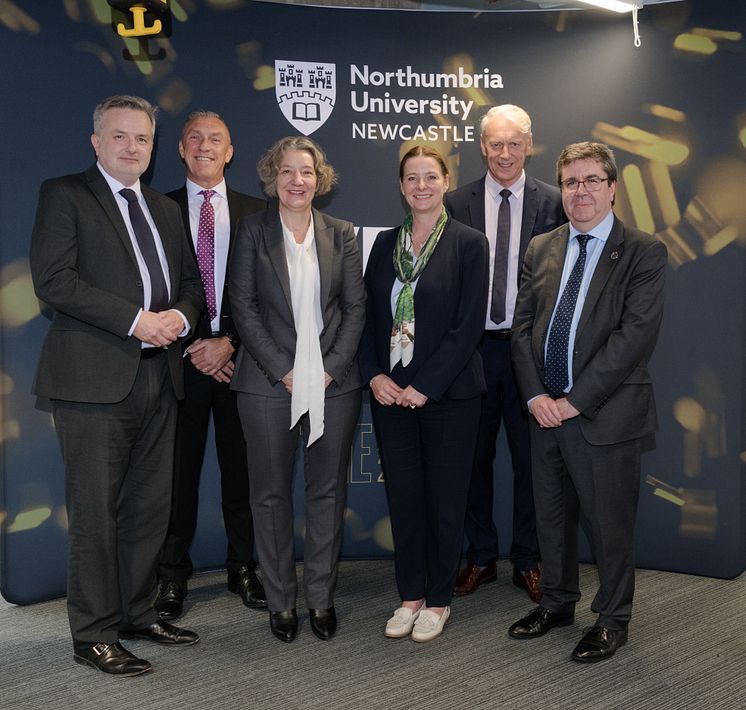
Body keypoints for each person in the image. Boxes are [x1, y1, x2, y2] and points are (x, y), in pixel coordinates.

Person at [30, 95, 204, 676]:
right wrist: (138, 321)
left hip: (161, 376)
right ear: (96, 142)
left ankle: (136, 612)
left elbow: (188, 284)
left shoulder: (164, 207)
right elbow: (54, 281)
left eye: (143, 139)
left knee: (148, 509)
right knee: (96, 513)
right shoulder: (65, 195)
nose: (133, 148)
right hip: (93, 380)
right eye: (121, 137)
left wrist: (178, 318)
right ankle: (94, 634)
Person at [508, 141, 667, 662]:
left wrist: (573, 400)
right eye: (571, 182)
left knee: (609, 524)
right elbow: (523, 328)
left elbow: (633, 338)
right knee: (550, 516)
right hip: (543, 412)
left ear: (613, 188)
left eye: (591, 180)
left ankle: (613, 618)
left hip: (604, 414)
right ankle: (557, 603)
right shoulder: (541, 247)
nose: (580, 191)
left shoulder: (643, 251)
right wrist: (535, 395)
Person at [228, 136, 365, 643]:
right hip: (267, 385)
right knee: (269, 496)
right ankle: (281, 602)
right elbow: (242, 306)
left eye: (305, 171)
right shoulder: (252, 231)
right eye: (286, 171)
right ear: (272, 177)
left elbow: (356, 309)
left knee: (328, 493)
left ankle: (321, 599)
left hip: (335, 383)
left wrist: (328, 369)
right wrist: (285, 370)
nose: (296, 180)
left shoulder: (342, 233)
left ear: (319, 177)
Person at [359, 145, 489, 642]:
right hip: (390, 396)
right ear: (400, 185)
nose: (421, 186)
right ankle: (409, 595)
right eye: (411, 178)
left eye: (430, 177)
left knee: (444, 502)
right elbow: (369, 319)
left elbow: (467, 327)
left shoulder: (468, 243)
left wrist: (424, 387)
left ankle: (438, 600)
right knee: (405, 499)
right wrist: (374, 375)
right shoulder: (384, 244)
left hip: (449, 397)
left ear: (446, 181)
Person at [445, 105, 565, 604]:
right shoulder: (455, 202)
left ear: (530, 145)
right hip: (471, 352)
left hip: (530, 353)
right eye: (496, 143)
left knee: (532, 461)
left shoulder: (557, 202)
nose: (505, 153)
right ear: (482, 146)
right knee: (472, 458)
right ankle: (480, 556)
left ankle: (529, 559)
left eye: (515, 143)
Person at [155, 111, 267, 620]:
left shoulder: (258, 212)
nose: (204, 146)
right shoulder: (158, 210)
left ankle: (243, 568)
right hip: (177, 364)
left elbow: (271, 295)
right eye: (194, 138)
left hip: (241, 365)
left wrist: (230, 345)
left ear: (231, 151)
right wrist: (197, 346)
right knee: (176, 478)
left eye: (215, 139)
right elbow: (153, 289)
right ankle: (171, 576)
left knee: (242, 476)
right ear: (180, 149)